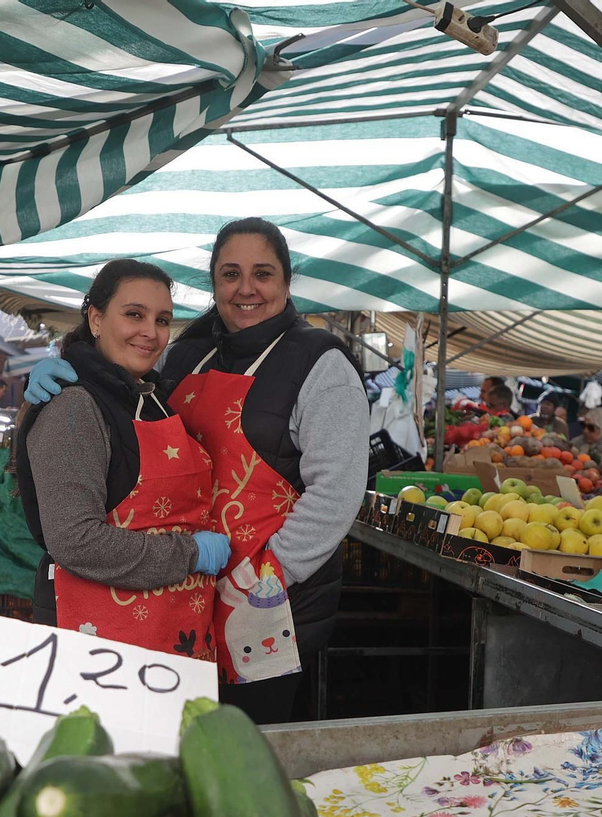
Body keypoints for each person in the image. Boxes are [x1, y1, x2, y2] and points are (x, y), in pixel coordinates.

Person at [27, 219, 369, 723]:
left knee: (244, 739)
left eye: (263, 273)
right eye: (230, 273)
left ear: (287, 282)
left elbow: (337, 492)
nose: (245, 288)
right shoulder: (187, 353)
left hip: (269, 597)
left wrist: (266, 577)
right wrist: (68, 370)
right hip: (178, 588)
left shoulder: (320, 364)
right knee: (186, 735)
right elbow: (124, 397)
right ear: (214, 283)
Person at [14, 260, 231, 658]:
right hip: (102, 641)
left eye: (163, 319)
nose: (151, 332)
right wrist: (191, 553)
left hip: (172, 629)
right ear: (95, 319)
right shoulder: (74, 406)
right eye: (134, 314)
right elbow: (75, 541)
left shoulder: (150, 398)